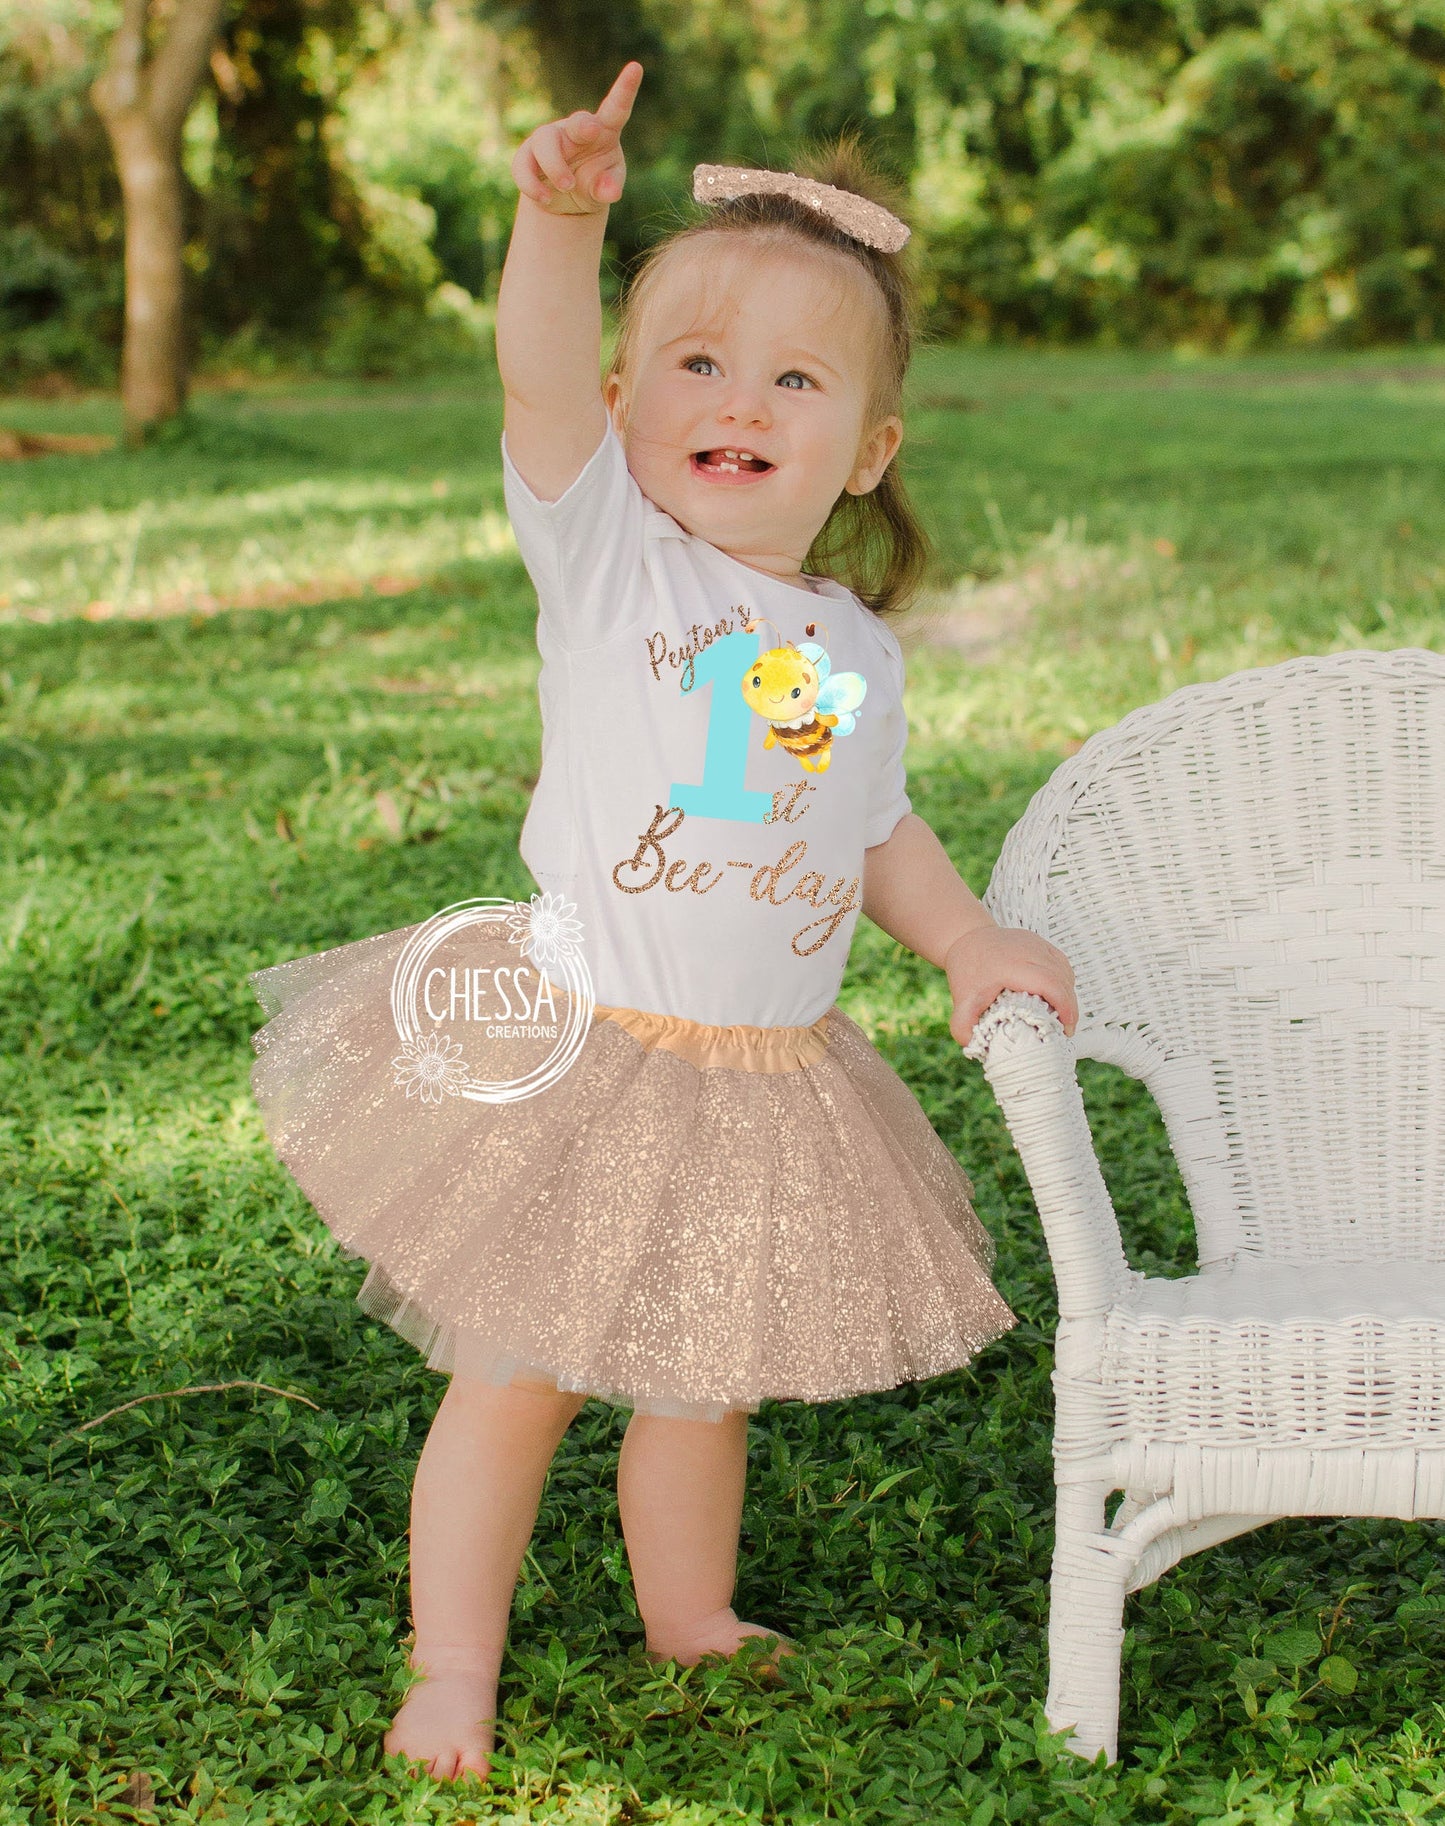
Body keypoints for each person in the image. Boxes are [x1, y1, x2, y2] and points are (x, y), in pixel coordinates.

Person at [246, 58, 1077, 1787]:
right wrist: (559, 225)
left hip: (762, 1074)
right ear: (623, 400)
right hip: (590, 1047)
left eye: (795, 378)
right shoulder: (612, 555)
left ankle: (686, 1608)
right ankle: (451, 1667)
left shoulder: (849, 646)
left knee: (705, 1376)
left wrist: (965, 939)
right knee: (520, 1373)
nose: (740, 399)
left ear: (868, 449)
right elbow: (532, 375)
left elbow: (866, 829)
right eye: (696, 362)